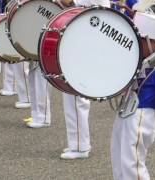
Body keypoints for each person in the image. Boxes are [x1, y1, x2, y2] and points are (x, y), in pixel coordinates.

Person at [111, 12, 155, 180]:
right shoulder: (143, 58)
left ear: (153, 41)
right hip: (127, 111)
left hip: (140, 117)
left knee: (134, 165)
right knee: (119, 157)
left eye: (140, 40)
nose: (137, 43)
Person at [57, 0, 110, 159]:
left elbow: (68, 2)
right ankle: (77, 143)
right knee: (71, 96)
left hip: (85, 41)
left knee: (75, 95)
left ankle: (80, 146)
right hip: (84, 39)